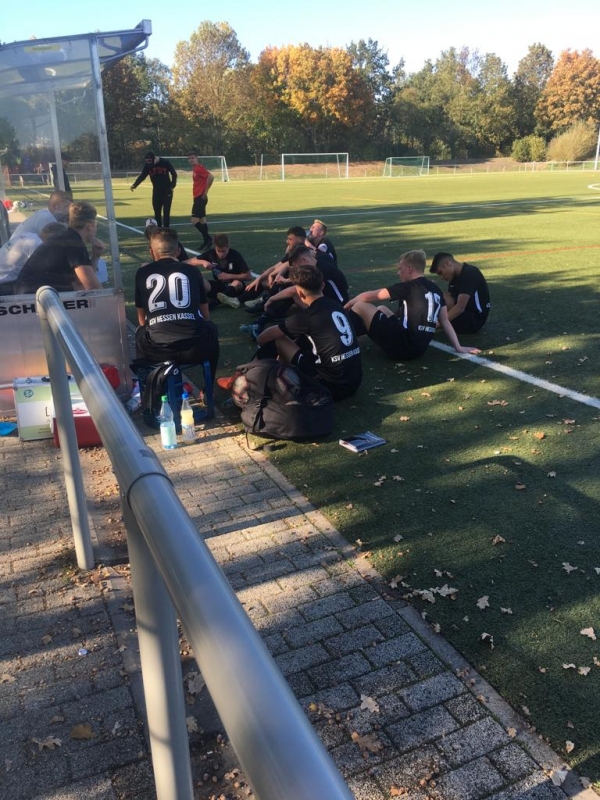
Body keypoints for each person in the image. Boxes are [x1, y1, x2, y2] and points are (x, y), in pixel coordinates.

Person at [251, 262, 362, 401]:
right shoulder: (337, 306)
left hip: (328, 387)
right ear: (323, 285)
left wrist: (262, 343)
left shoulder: (307, 317)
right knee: (303, 340)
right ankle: (277, 374)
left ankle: (249, 379)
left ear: (299, 293)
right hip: (354, 383)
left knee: (278, 340)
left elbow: (263, 338)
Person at [345, 249, 480, 361]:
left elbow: (369, 296)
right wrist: (458, 347)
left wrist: (347, 305)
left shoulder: (409, 287)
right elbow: (445, 321)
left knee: (360, 305)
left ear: (409, 269)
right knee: (382, 309)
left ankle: (341, 340)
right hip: (419, 349)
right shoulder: (436, 290)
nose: (398, 273)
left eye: (400, 269)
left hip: (401, 347)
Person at [134, 227, 219, 380]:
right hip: (194, 348)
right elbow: (205, 315)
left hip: (157, 351)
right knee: (211, 328)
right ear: (178, 251)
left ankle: (148, 383)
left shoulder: (142, 273)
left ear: (152, 252)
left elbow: (142, 320)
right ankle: (208, 387)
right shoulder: (192, 271)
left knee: (140, 332)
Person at [16, 201, 104, 294]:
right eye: (95, 225)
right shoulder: (74, 243)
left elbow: (82, 280)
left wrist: (96, 256)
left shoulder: (66, 236)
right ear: (90, 226)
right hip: (35, 295)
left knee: (79, 288)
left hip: (26, 292)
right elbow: (93, 287)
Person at [429, 251, 490, 333]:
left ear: (448, 264)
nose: (441, 277)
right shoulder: (454, 277)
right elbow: (450, 300)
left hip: (474, 321)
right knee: (434, 294)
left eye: (440, 273)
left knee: (435, 295)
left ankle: (428, 323)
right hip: (465, 316)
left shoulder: (469, 273)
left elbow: (460, 307)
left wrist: (439, 324)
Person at [0, 222, 66, 292]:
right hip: (4, 284)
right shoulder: (36, 244)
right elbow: (42, 272)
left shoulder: (28, 235)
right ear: (54, 236)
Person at [196, 233, 252, 309]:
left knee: (237, 283)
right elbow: (189, 261)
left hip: (235, 288)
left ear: (228, 246)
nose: (221, 254)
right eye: (218, 251)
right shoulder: (211, 254)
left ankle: (213, 303)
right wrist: (203, 262)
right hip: (220, 285)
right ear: (215, 247)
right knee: (201, 282)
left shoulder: (235, 255)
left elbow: (248, 276)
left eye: (223, 251)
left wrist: (229, 276)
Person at [131, 152, 178, 227]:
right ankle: (158, 230)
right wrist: (135, 184)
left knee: (166, 213)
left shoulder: (165, 162)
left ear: (154, 158)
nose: (148, 163)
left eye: (150, 161)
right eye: (147, 161)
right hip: (156, 192)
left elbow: (174, 174)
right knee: (157, 213)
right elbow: (142, 176)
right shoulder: (148, 165)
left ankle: (166, 230)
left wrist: (172, 186)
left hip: (167, 191)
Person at [6, 190, 71, 240]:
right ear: (55, 206)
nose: (69, 210)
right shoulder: (46, 218)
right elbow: (58, 241)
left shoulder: (43, 213)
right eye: (66, 206)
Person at [187, 151, 214, 249]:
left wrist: (205, 192)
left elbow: (210, 177)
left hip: (200, 197)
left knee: (194, 220)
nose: (191, 160)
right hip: (198, 197)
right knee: (202, 220)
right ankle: (206, 241)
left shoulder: (198, 168)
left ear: (196, 158)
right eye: (189, 158)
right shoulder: (195, 169)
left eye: (192, 158)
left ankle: (208, 238)